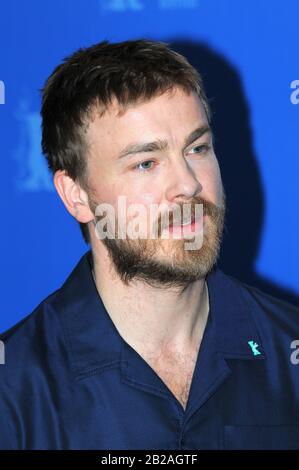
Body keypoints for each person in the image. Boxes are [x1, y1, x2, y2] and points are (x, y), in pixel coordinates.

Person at [0, 39, 299, 450]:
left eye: (197, 148)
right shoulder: (14, 390)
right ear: (77, 196)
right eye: (146, 162)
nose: (189, 184)